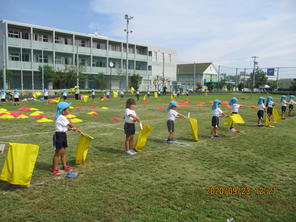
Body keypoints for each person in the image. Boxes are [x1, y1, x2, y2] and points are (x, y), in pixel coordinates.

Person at [52, 102, 80, 175]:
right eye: (68, 109)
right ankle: (55, 168)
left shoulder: (63, 117)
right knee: (58, 153)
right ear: (63, 110)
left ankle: (65, 166)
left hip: (63, 135)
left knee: (63, 153)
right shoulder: (61, 117)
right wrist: (75, 128)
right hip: (59, 136)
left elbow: (66, 128)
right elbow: (70, 125)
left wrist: (72, 129)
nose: (69, 111)